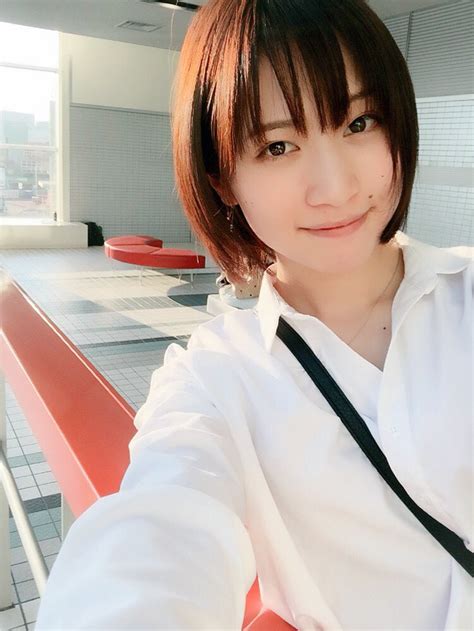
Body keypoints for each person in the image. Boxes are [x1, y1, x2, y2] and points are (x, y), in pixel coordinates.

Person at [36, 0, 472, 629]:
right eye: (277, 145)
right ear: (223, 180)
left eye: (359, 122)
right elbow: (161, 533)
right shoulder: (214, 380)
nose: (335, 188)